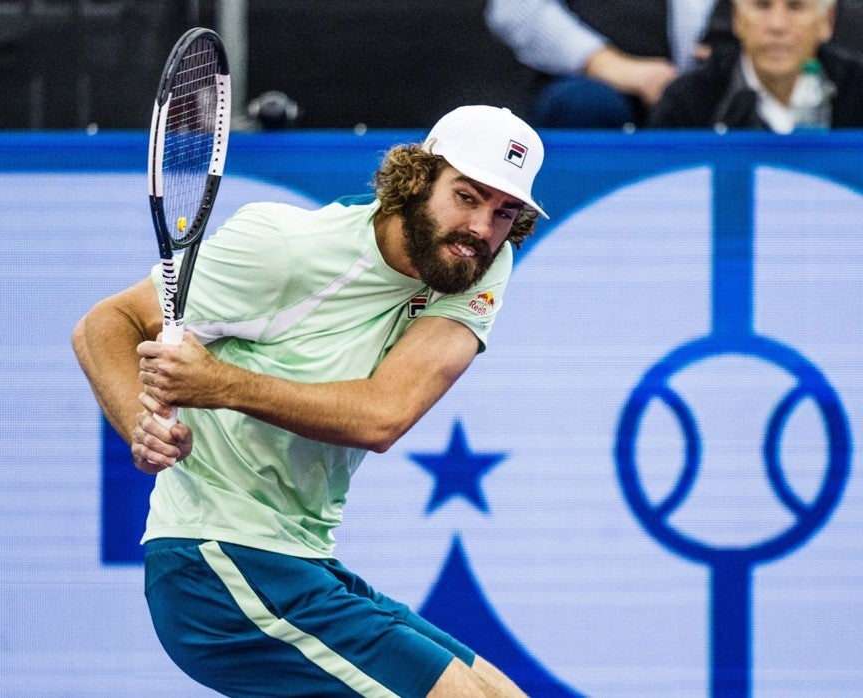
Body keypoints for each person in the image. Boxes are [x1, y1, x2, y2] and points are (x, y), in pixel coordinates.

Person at [73, 105, 548, 698]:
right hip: (213, 564)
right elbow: (106, 323)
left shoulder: (477, 263)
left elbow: (383, 415)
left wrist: (219, 383)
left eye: (504, 212)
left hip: (300, 561)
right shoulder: (282, 248)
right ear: (417, 179)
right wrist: (138, 423)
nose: (481, 227)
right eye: (467, 196)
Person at [485, 0, 726, 128]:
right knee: (585, 104)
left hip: (691, 76)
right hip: (587, 81)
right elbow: (514, 9)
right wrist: (607, 64)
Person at [649, 0, 863, 131]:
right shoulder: (689, 101)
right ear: (737, 17)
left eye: (795, 6)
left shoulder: (857, 93)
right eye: (762, 5)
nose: (777, 25)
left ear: (827, 20)